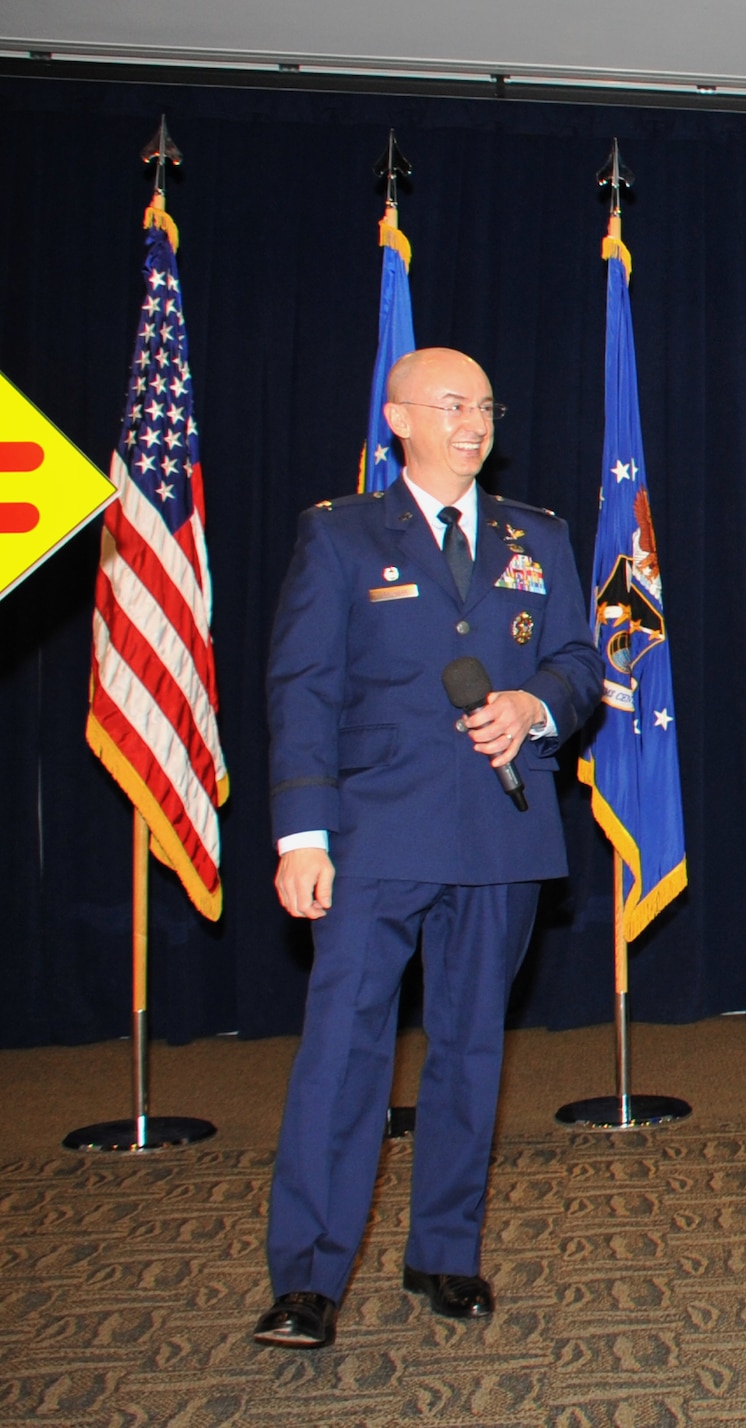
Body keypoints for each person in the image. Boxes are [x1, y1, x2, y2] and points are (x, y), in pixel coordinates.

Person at [252, 348, 600, 1349]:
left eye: (485, 404)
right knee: (344, 1053)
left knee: (468, 1051)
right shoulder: (342, 537)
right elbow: (304, 690)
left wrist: (536, 705)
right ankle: (308, 1279)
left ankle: (444, 1253)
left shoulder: (539, 536)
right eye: (451, 404)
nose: (474, 422)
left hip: (500, 830)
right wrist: (302, 835)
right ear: (398, 418)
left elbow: (576, 659)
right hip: (373, 837)